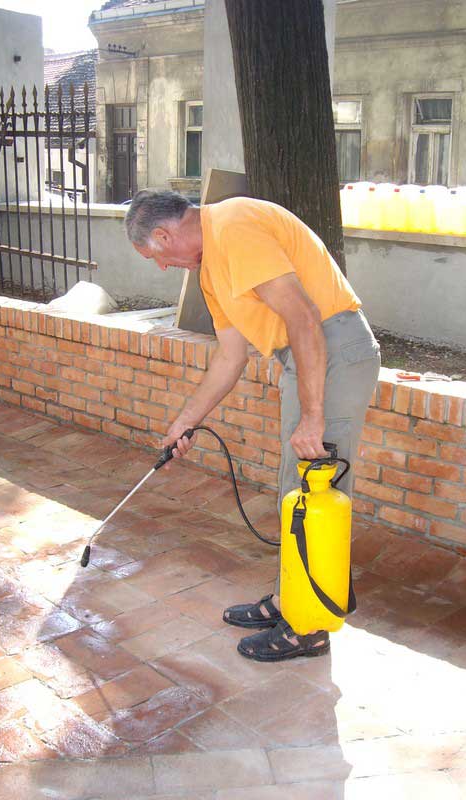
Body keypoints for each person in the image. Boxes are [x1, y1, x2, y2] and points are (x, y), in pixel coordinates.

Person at [125, 190, 380, 662]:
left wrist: (313, 415)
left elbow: (303, 317)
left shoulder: (234, 227)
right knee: (294, 490)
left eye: (154, 256)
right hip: (306, 356)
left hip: (332, 351)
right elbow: (230, 357)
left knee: (313, 491)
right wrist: (184, 424)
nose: (161, 267)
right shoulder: (210, 270)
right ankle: (290, 600)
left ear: (164, 235)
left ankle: (308, 628)